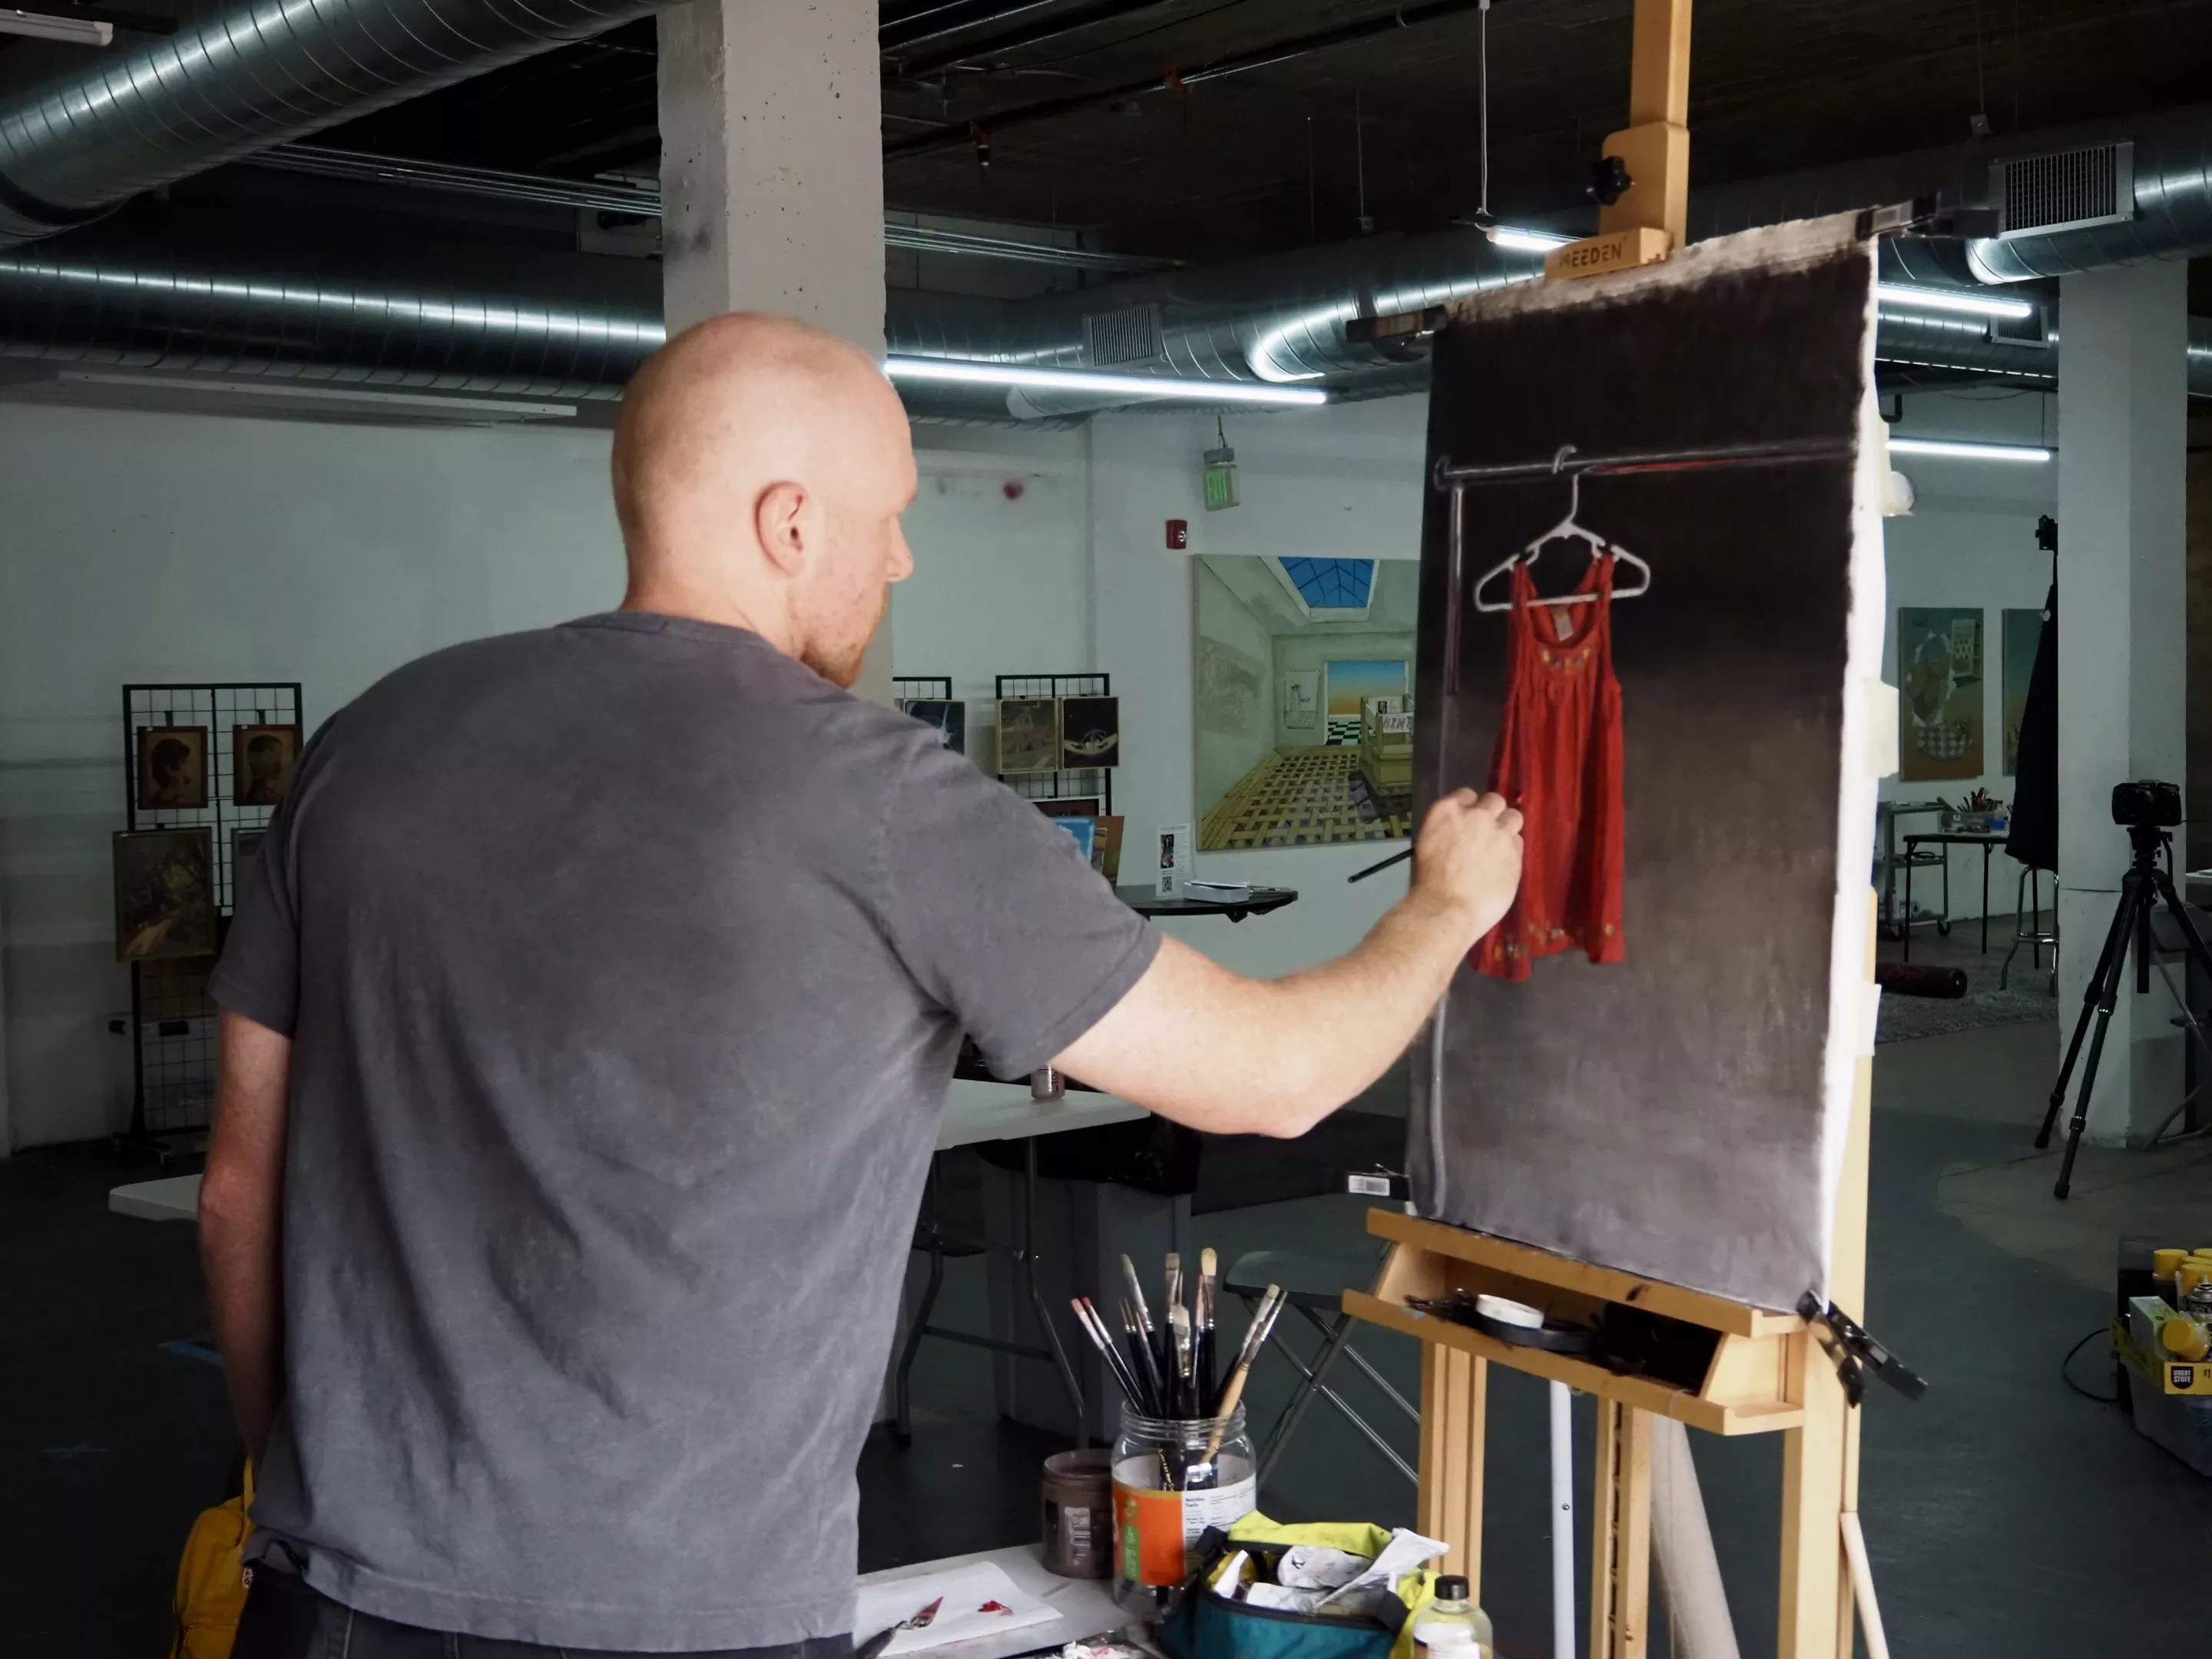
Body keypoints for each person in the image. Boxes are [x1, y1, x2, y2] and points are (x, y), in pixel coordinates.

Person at [202, 313, 1524, 1658]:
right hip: (680, 1618)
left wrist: (300, 1497)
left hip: (329, 1596)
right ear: (788, 524)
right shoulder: (886, 801)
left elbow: (238, 1192)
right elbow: (1275, 1077)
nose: (900, 556)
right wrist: (1445, 907)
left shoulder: (366, 747)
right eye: (888, 515)